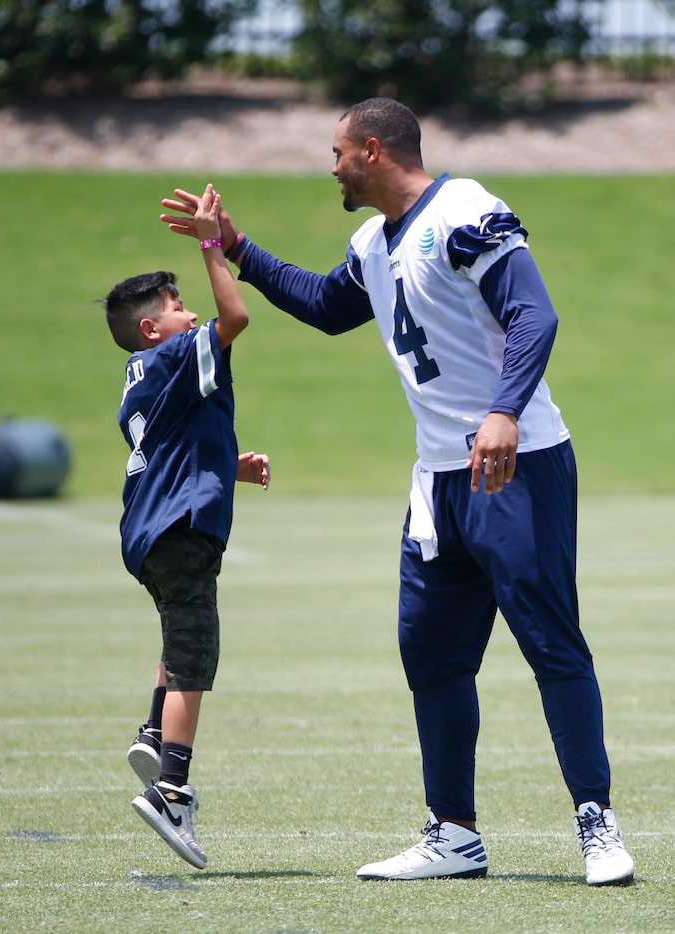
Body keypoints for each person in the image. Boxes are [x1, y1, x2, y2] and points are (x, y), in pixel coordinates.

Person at [159, 99, 634, 887]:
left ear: (373, 151)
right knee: (433, 657)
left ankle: (596, 821)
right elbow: (321, 305)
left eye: (339, 152)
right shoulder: (372, 244)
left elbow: (533, 314)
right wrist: (231, 245)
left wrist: (504, 412)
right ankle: (454, 833)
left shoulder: (465, 210)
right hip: (438, 482)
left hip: (517, 465)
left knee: (550, 642)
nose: (332, 166)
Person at [101, 183, 270, 870]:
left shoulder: (138, 372)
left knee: (179, 627)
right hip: (181, 528)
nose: (189, 310)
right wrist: (211, 244)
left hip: (147, 529)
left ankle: (152, 727)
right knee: (197, 649)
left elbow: (168, 447)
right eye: (175, 307)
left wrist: (228, 465)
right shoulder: (178, 354)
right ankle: (171, 786)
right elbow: (237, 316)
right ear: (153, 327)